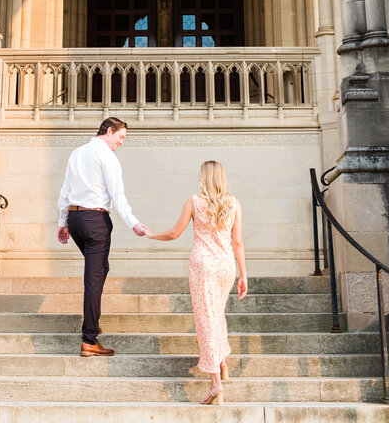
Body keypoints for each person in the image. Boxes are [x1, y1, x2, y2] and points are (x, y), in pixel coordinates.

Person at [147, 160, 247, 405]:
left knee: (206, 321)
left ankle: (215, 384)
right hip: (225, 266)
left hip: (203, 266)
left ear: (203, 177)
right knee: (217, 316)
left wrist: (151, 234)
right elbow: (238, 242)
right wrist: (244, 274)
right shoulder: (233, 203)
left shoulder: (194, 201)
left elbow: (174, 233)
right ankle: (222, 362)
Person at [57, 117, 149, 356]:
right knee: (94, 279)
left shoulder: (76, 153)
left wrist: (62, 221)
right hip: (96, 222)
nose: (121, 142)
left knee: (99, 269)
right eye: (121, 137)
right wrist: (134, 224)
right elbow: (118, 196)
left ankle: (93, 322)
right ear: (109, 131)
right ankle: (89, 339)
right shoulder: (108, 157)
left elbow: (65, 191)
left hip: (76, 220)